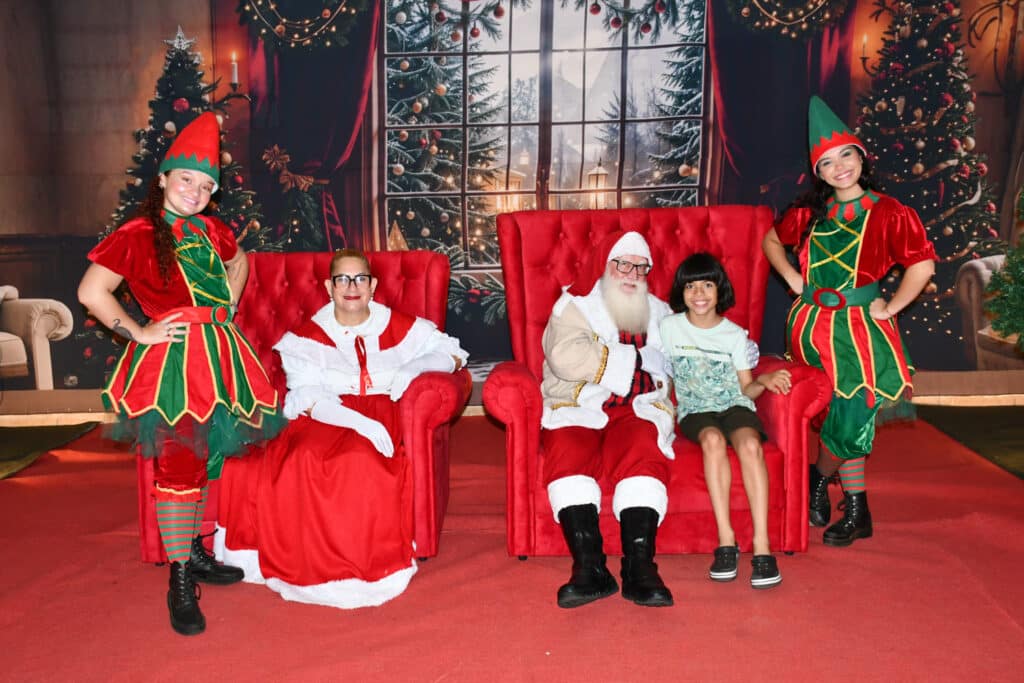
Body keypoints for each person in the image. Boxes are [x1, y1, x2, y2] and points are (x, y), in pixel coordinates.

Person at [77, 112, 284, 636]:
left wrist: (227, 307)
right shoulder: (138, 233)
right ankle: (180, 581)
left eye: (206, 185)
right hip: (175, 364)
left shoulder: (212, 229)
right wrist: (138, 332)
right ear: (164, 178)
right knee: (178, 463)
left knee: (205, 456)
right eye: (186, 179)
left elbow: (240, 262)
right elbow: (91, 292)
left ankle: (192, 552)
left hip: (221, 356)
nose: (195, 191)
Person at [217, 248, 468, 609]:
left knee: (361, 461)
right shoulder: (308, 337)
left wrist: (414, 367)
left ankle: (357, 567)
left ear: (373, 285)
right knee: (306, 457)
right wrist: (360, 423)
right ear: (329, 287)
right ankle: (314, 565)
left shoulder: (400, 326)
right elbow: (307, 396)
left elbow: (453, 352)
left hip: (386, 412)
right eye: (343, 279)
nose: (352, 287)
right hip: (327, 414)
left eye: (360, 278)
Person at [762, 96, 936, 546]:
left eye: (845, 156)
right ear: (818, 172)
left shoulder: (890, 212)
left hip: (860, 331)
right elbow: (770, 241)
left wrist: (891, 307)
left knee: (853, 413)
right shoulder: (807, 213)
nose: (839, 168)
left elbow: (921, 264)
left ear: (861, 157)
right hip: (810, 328)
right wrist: (792, 278)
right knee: (833, 414)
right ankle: (857, 509)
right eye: (827, 162)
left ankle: (819, 480)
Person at [541, 230, 676, 608]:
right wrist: (636, 359)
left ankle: (639, 567)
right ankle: (589, 568)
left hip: (638, 405)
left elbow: (681, 355)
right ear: (605, 266)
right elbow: (566, 357)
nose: (632, 274)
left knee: (643, 451)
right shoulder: (575, 306)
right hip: (579, 402)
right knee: (567, 451)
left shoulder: (661, 312)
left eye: (641, 267)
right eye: (623, 265)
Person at [661, 253, 791, 589]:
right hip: (696, 410)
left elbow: (746, 388)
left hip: (734, 404)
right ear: (681, 291)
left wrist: (764, 381)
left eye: (707, 285)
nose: (699, 294)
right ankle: (726, 540)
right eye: (691, 286)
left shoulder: (733, 335)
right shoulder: (669, 328)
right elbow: (662, 375)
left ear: (720, 290)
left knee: (749, 444)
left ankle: (762, 545)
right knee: (713, 440)